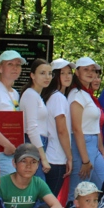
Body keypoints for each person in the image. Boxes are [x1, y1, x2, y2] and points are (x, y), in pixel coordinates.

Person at [68, 57, 104, 198]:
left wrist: (100, 146)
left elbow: (94, 125)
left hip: (93, 145)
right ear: (77, 72)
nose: (90, 72)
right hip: (82, 144)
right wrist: (85, 160)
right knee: (79, 190)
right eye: (85, 69)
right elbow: (76, 128)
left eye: (92, 70)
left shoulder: (87, 95)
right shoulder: (76, 94)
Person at [40, 59, 74, 196]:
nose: (67, 76)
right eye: (62, 73)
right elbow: (62, 130)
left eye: (69, 73)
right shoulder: (58, 98)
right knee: (49, 202)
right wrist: (69, 157)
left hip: (50, 156)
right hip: (56, 157)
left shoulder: (50, 96)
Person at [19, 59, 53, 180]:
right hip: (33, 145)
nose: (47, 77)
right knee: (38, 186)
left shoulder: (36, 96)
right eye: (42, 73)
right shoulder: (30, 95)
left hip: (38, 144)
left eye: (50, 73)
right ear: (32, 75)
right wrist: (42, 158)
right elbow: (31, 128)